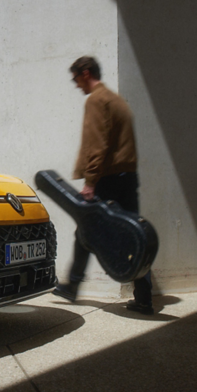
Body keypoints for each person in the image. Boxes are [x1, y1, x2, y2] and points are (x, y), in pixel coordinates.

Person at [53, 56, 154, 315]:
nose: (77, 86)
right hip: (127, 177)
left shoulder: (96, 100)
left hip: (107, 178)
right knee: (133, 234)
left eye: (76, 79)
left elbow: (97, 145)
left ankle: (72, 286)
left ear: (85, 73)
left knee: (86, 230)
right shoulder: (117, 100)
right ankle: (143, 298)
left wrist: (90, 181)